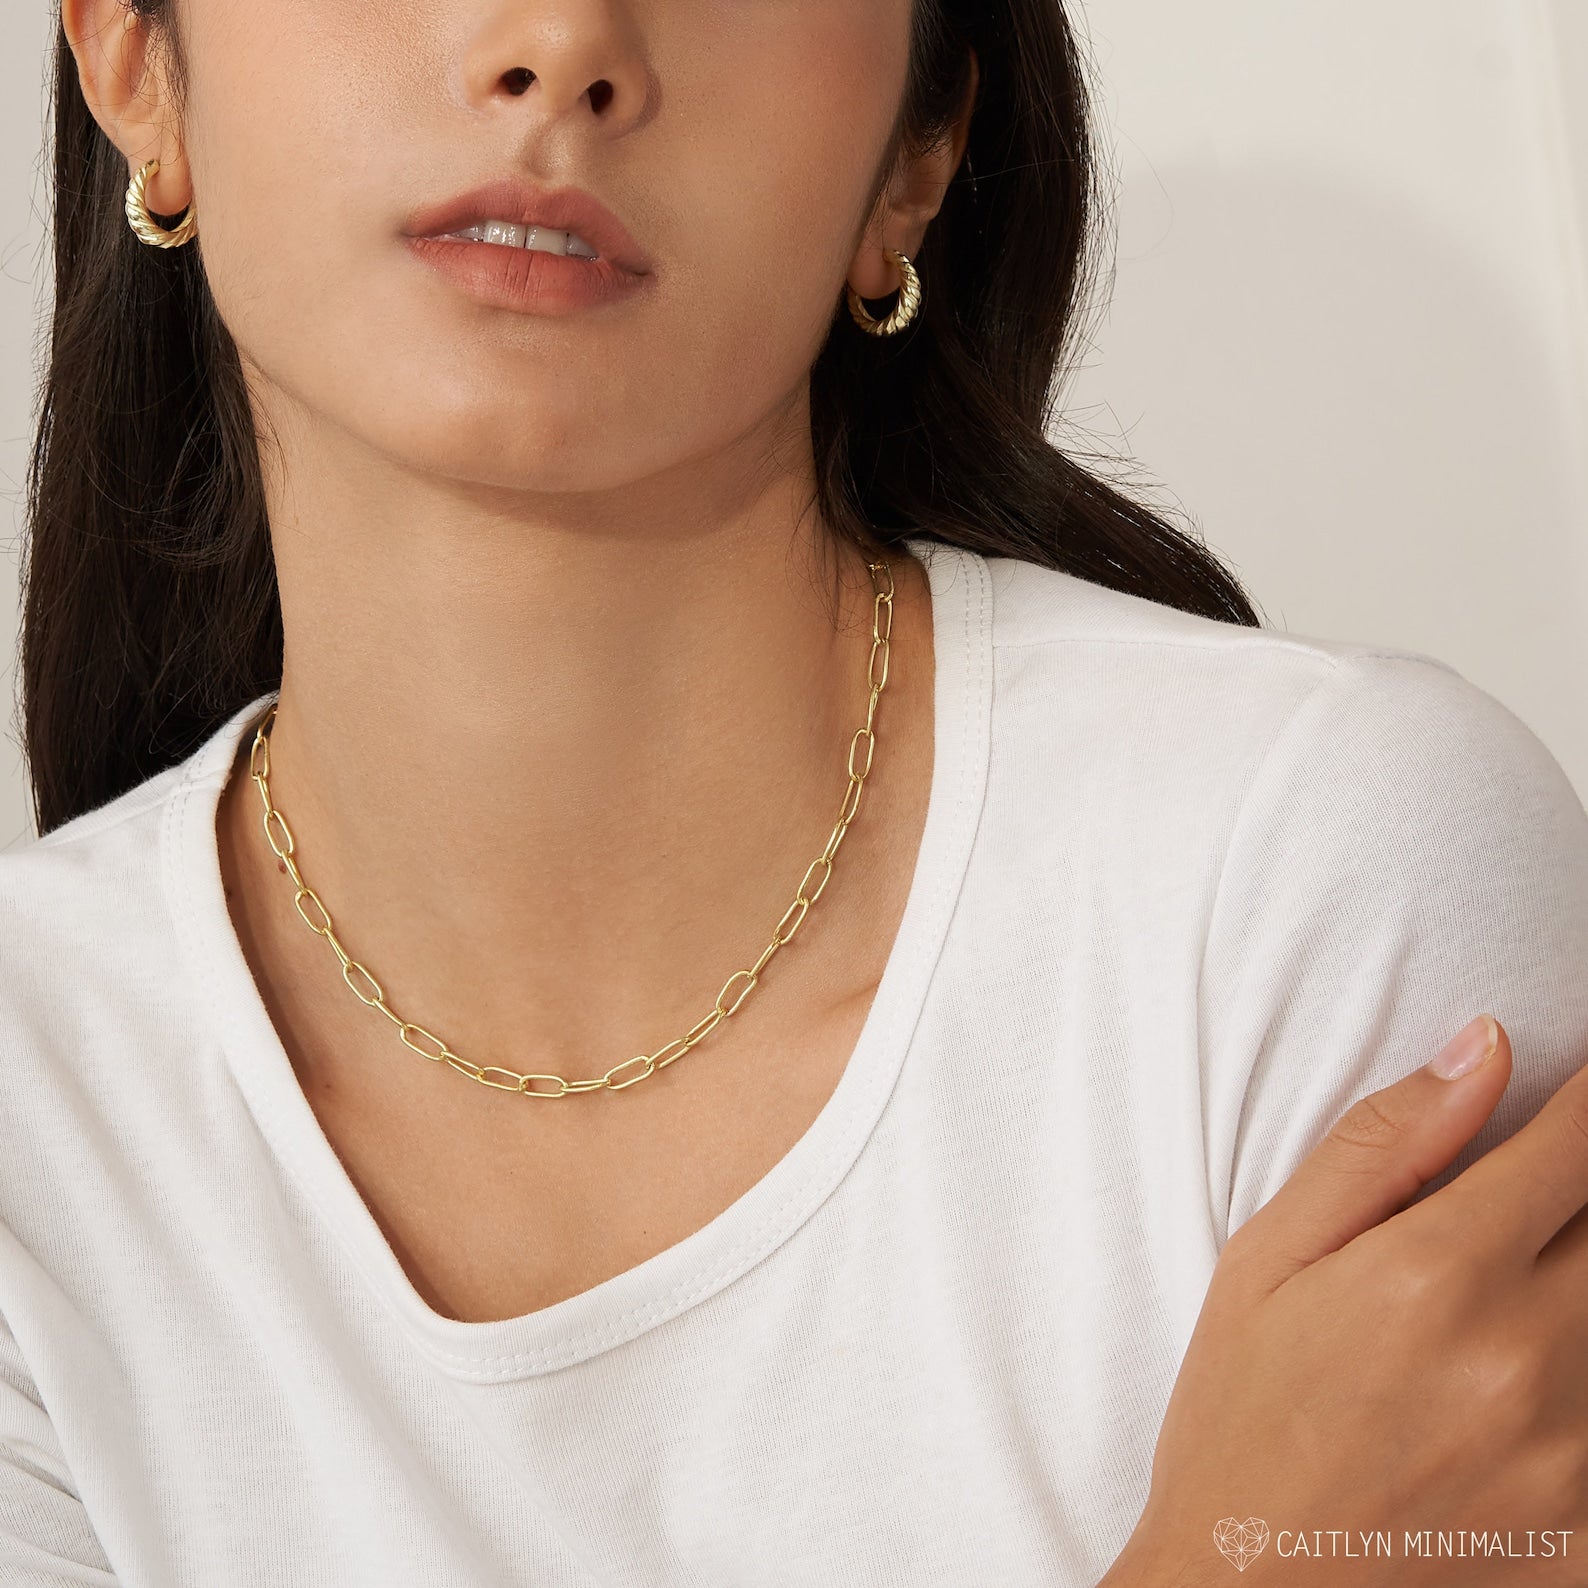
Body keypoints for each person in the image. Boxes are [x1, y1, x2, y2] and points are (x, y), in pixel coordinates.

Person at [3, 0, 1586, 1582]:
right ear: (133, 60)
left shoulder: (1315, 884)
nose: (560, 41)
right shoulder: (36, 1115)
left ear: (917, 153)